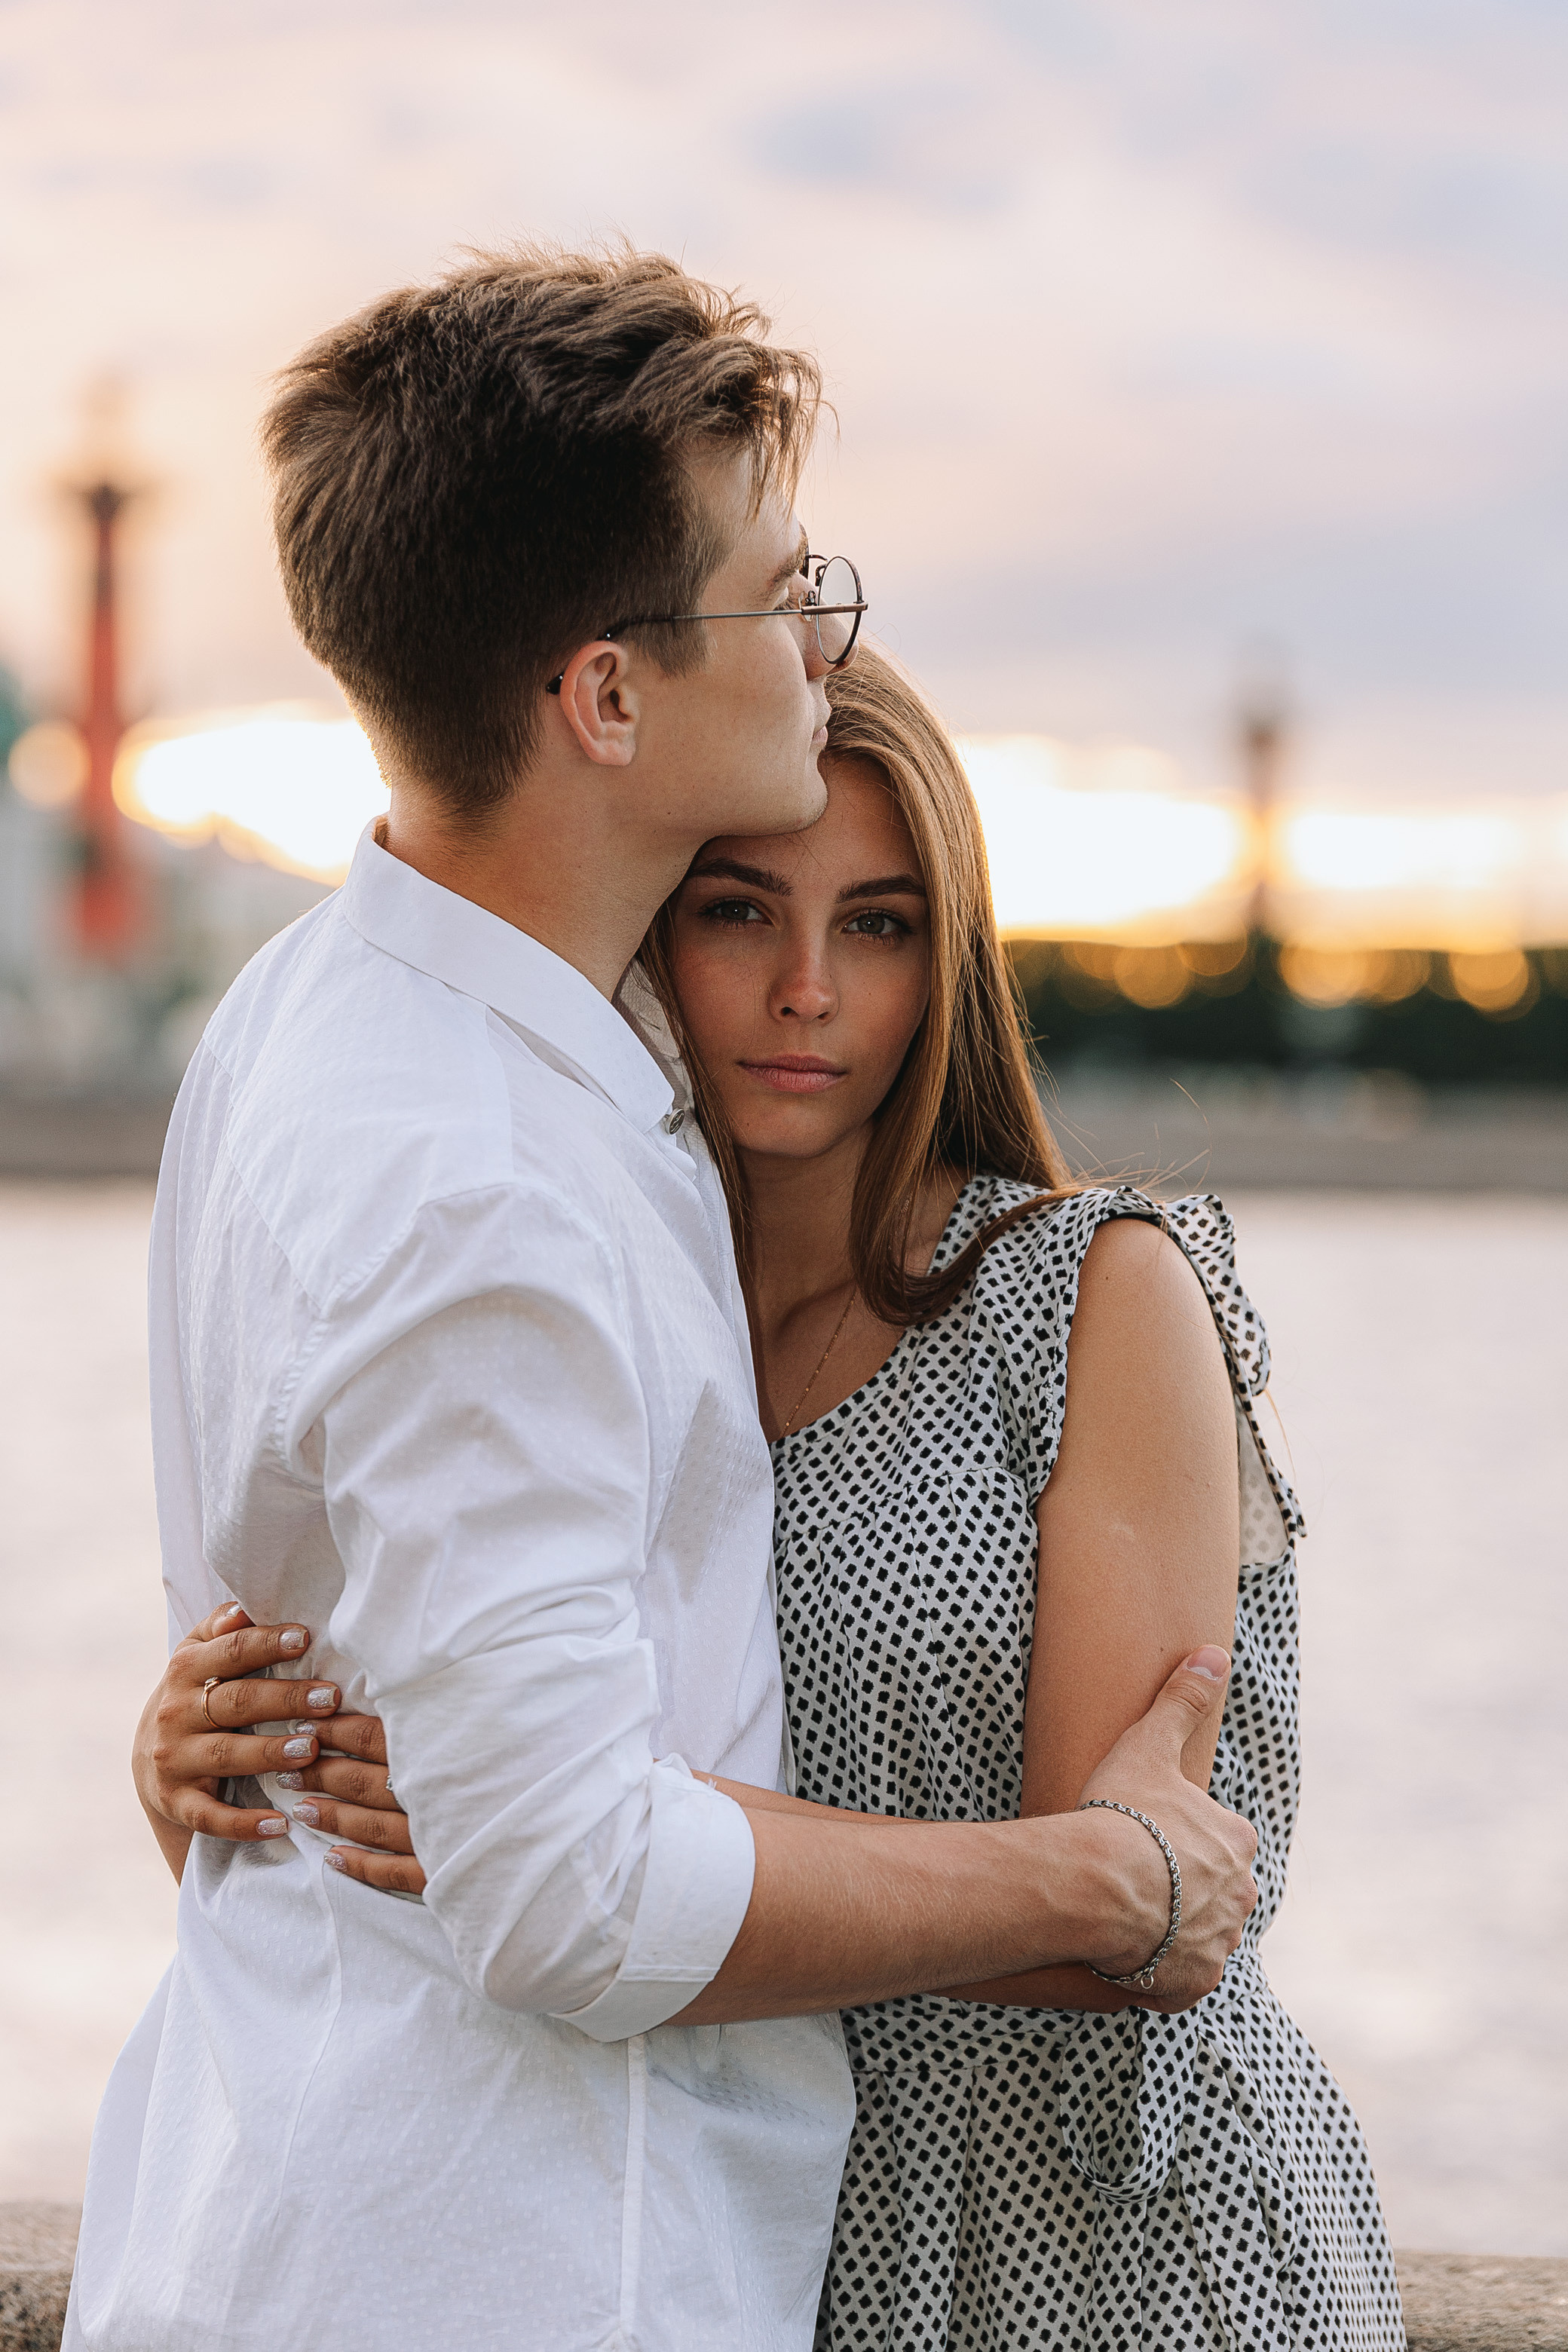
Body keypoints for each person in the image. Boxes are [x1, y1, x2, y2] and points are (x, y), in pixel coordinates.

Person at [71, 247, 1259, 2352]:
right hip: (502, 2280)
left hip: (298, 2213)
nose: (823, 630)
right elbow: (571, 1887)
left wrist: (218, 1766)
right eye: (776, 583)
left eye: (885, 927)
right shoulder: (484, 1178)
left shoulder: (311, 1022)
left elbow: (398, 1726)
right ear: (606, 698)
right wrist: (1098, 1875)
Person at [139, 643, 1403, 2347]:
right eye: (740, 911)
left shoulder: (1093, 1297)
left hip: (1106, 2221)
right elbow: (429, 1798)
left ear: (942, 960)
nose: (806, 986)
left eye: (876, 924)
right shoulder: (593, 1297)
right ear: (655, 923)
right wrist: (211, 1771)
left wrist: (543, 1828)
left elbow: (1125, 1915)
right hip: (778, 2229)